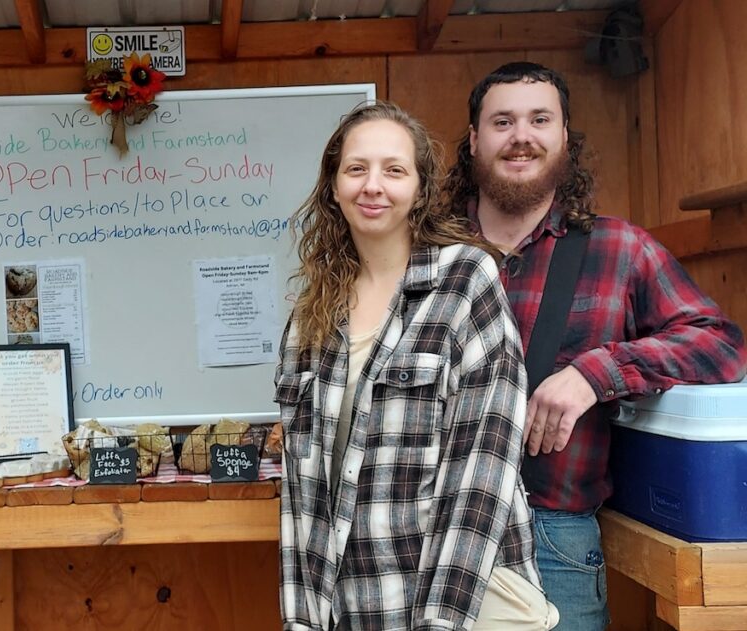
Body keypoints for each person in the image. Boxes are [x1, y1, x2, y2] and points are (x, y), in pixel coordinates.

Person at [445, 62, 747, 631]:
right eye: (502, 121)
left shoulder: (620, 248)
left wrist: (597, 372)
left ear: (563, 137)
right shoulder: (426, 252)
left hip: (554, 539)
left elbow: (721, 345)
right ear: (474, 140)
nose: (521, 136)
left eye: (540, 120)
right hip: (430, 532)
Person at [275, 100, 558, 630]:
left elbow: (482, 470)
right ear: (334, 188)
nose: (373, 185)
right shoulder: (311, 318)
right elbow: (301, 493)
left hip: (459, 605)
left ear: (420, 190)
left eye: (394, 170)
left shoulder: (466, 280)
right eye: (356, 169)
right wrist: (302, 620)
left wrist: (440, 622)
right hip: (355, 606)